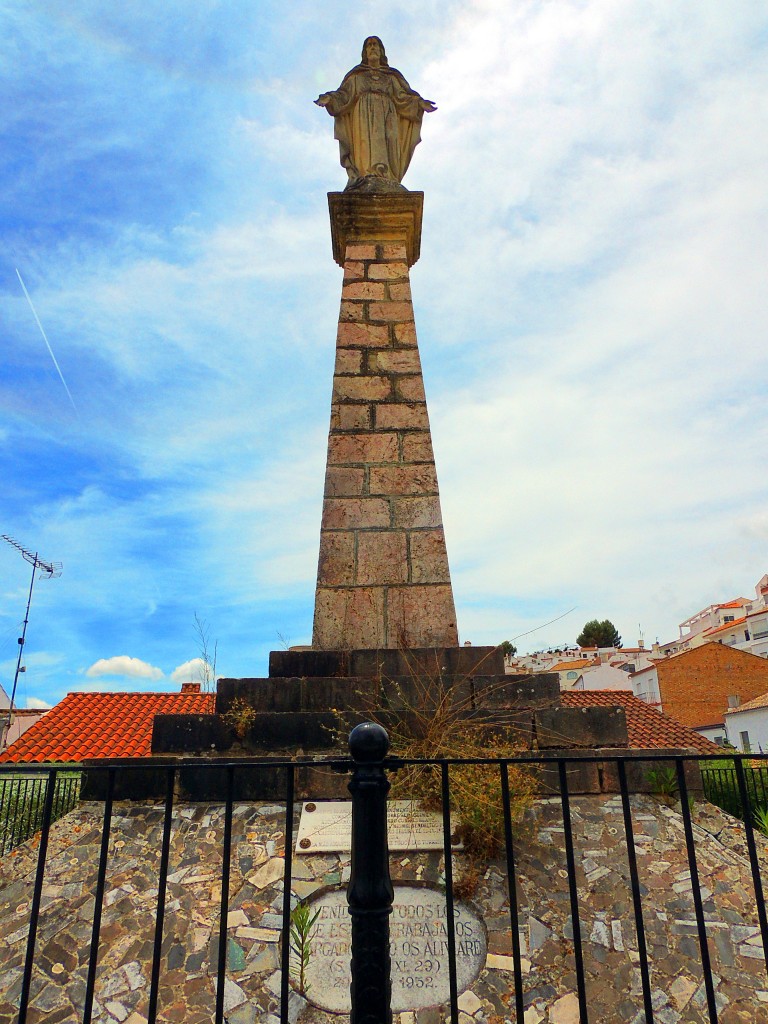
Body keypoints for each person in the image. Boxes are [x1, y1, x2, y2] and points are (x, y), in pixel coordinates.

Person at [315, 37, 436, 187]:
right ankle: (366, 176)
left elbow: (403, 96)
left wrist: (419, 103)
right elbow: (344, 95)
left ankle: (388, 177)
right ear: (365, 52)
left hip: (388, 115)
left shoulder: (390, 76)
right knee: (366, 146)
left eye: (375, 45)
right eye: (369, 45)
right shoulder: (357, 76)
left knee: (390, 142)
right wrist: (330, 98)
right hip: (364, 117)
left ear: (381, 51)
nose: (372, 48)